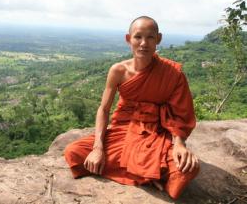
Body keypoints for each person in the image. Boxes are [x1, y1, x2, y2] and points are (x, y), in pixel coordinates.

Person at [64, 16, 200, 199]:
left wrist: (179, 144)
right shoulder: (118, 71)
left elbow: (180, 115)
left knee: (186, 170)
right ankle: (147, 175)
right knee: (73, 152)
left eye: (150, 37)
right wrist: (98, 148)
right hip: (125, 130)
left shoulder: (173, 73)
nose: (144, 43)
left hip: (157, 134)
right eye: (138, 37)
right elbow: (104, 110)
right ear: (129, 39)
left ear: (158, 39)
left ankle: (144, 172)